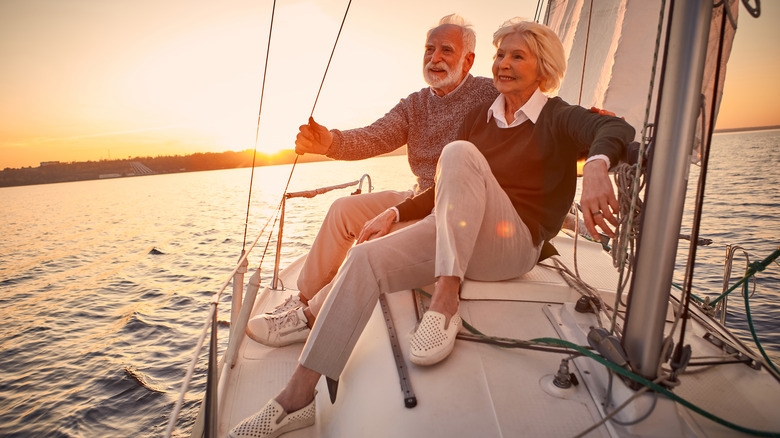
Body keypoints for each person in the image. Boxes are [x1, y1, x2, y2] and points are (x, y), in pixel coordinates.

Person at [229, 18, 634, 438]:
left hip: (513, 245)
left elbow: (614, 128)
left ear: (542, 66)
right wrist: (397, 213)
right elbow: (445, 183)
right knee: (364, 256)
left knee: (456, 152)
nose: (504, 64)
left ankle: (445, 302)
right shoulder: (481, 116)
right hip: (460, 228)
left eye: (518, 56)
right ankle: (295, 399)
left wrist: (600, 166)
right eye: (501, 55)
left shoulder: (557, 115)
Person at [246, 14, 498, 347]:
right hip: (419, 197)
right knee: (343, 210)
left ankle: (315, 317)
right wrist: (329, 143)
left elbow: (535, 109)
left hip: (454, 211)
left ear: (468, 60)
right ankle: (302, 300)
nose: (434, 58)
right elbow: (373, 136)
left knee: (376, 238)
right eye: (429, 48)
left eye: (446, 50)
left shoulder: (490, 93)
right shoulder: (415, 104)